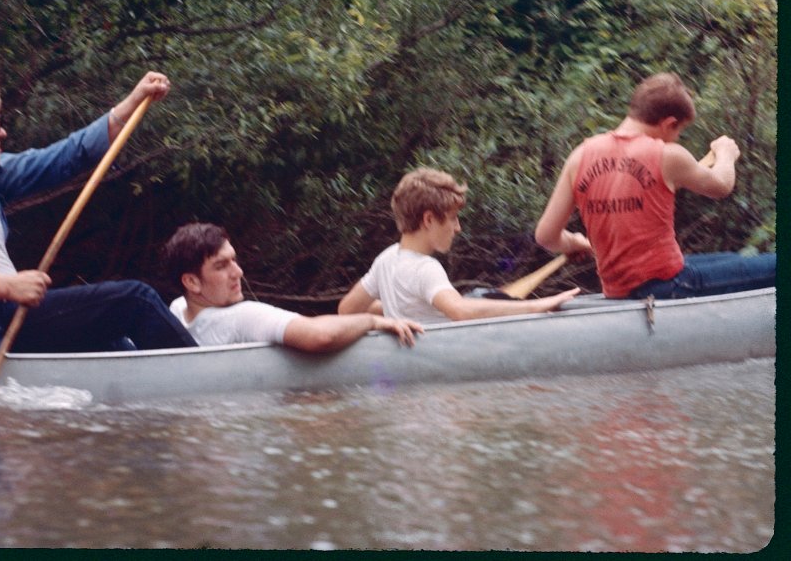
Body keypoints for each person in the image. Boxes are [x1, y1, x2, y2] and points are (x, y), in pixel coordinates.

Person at [0, 71, 196, 379]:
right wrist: (5, 286)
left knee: (109, 340)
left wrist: (133, 101)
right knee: (134, 301)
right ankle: (205, 377)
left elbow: (66, 157)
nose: (1, 132)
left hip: (3, 323)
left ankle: (157, 394)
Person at [534, 71, 775, 299]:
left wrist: (574, 242)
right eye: (679, 130)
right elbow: (722, 185)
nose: (677, 137)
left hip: (619, 288)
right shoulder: (667, 155)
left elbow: (546, 236)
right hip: (669, 285)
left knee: (730, 258)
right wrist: (725, 154)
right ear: (669, 123)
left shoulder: (581, 155)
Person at [338, 167, 579, 324]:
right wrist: (538, 306)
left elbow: (347, 309)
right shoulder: (426, 269)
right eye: (453, 218)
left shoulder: (386, 259)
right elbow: (460, 311)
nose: (458, 228)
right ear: (429, 220)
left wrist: (397, 309)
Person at [161, 222, 423, 351]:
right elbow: (320, 336)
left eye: (234, 261)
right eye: (221, 266)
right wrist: (372, 321)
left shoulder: (177, 310)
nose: (237, 272)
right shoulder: (242, 316)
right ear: (191, 281)